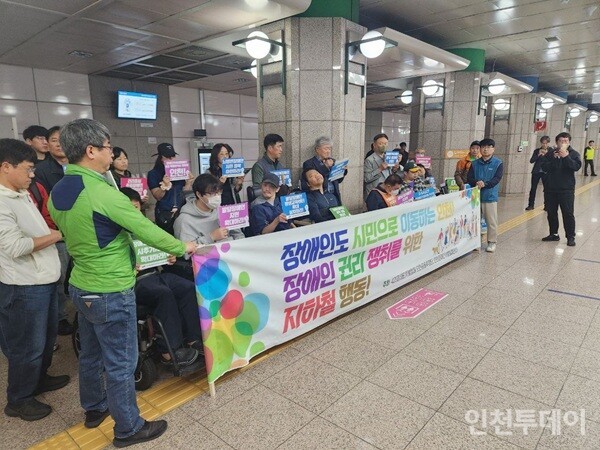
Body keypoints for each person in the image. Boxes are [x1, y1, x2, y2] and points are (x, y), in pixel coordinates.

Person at [48, 119, 198, 447]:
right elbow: (144, 228)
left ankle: (94, 407)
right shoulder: (102, 193)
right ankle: (129, 427)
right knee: (121, 362)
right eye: (107, 148)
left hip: (81, 283)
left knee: (91, 354)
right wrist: (181, 247)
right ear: (91, 151)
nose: (111, 153)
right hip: (110, 288)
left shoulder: (57, 190)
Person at [0, 138, 69, 421]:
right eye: (28, 169)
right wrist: (57, 235)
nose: (32, 175)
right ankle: (19, 400)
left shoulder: (20, 193)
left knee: (45, 338)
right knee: (27, 346)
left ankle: (38, 379)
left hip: (43, 280)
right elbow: (15, 246)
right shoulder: (2, 201)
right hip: (24, 286)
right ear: (6, 166)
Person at [120, 187, 201, 366]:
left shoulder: (147, 227)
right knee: (164, 294)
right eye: (129, 208)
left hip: (155, 274)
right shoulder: (117, 233)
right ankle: (169, 350)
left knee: (187, 287)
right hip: (134, 281)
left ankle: (193, 339)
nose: (134, 212)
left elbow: (160, 250)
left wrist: (168, 258)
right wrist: (130, 267)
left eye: (136, 208)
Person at [34, 125, 74, 336]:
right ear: (47, 144)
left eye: (62, 139)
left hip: (80, 229)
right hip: (56, 233)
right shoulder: (40, 171)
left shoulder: (78, 166)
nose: (59, 144)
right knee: (59, 276)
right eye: (54, 140)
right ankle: (59, 317)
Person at [174, 173, 244, 246]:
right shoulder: (184, 221)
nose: (217, 197)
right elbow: (185, 250)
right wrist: (211, 237)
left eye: (219, 192)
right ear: (199, 194)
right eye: (212, 193)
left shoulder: (222, 211)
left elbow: (238, 234)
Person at [540, 132, 582, 246]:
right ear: (557, 142)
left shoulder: (574, 154)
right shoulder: (550, 153)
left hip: (566, 189)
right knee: (551, 213)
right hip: (550, 188)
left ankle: (570, 237)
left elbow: (576, 167)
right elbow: (544, 167)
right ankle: (554, 234)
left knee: (568, 213)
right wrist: (554, 159)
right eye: (561, 141)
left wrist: (566, 157)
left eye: (566, 141)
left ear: (569, 142)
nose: (563, 143)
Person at [148, 143, 194, 233]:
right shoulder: (153, 173)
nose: (172, 160)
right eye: (168, 157)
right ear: (161, 158)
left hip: (182, 210)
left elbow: (184, 192)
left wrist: (188, 183)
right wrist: (164, 187)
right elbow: (157, 196)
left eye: (173, 157)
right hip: (165, 212)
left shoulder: (180, 170)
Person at [467, 138, 504, 253]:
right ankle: (476, 242)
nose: (485, 149)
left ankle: (492, 242)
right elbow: (469, 178)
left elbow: (497, 178)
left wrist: (485, 184)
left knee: (491, 221)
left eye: (488, 147)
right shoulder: (474, 163)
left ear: (493, 149)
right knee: (475, 220)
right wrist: (476, 182)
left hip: (490, 196)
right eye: (483, 147)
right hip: (476, 197)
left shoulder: (498, 163)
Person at [301, 136, 346, 204]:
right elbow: (314, 179)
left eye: (330, 149)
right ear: (317, 149)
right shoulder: (309, 163)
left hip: (334, 194)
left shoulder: (333, 161)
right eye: (326, 148)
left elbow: (338, 180)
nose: (328, 151)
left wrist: (342, 171)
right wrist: (325, 167)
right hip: (320, 196)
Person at [364, 133, 400, 200]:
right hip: (375, 194)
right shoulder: (369, 160)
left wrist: (395, 168)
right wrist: (380, 169)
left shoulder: (389, 156)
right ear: (374, 145)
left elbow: (391, 174)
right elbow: (366, 179)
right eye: (380, 143)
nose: (383, 146)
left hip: (388, 192)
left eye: (385, 143)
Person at [526, 136, 550, 210]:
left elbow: (552, 160)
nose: (544, 145)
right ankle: (531, 205)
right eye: (543, 143)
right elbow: (531, 161)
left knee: (547, 189)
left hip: (546, 172)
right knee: (533, 188)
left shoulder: (551, 151)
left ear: (548, 143)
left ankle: (547, 205)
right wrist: (538, 155)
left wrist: (546, 154)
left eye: (546, 143)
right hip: (536, 171)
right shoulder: (537, 151)